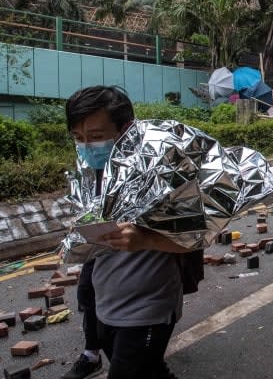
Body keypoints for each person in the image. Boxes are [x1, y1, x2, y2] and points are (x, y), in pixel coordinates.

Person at [62, 86, 189, 379]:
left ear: (127, 129)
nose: (87, 147)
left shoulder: (161, 172)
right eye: (78, 139)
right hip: (106, 308)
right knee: (153, 372)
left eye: (96, 137)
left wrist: (145, 239)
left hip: (148, 309)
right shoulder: (90, 174)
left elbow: (195, 239)